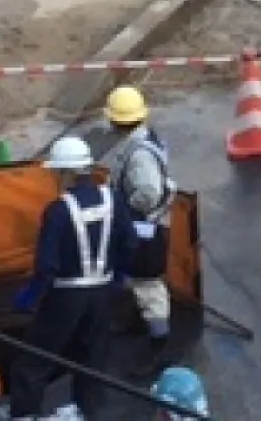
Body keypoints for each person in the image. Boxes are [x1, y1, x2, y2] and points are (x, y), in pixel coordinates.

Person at [5, 137, 128, 421]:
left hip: (66, 296)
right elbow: (129, 243)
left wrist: (29, 298)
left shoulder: (58, 211)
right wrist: (117, 278)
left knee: (34, 361)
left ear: (67, 173)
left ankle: (24, 415)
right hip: (102, 293)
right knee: (92, 357)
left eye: (56, 173)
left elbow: (46, 266)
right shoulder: (113, 199)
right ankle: (85, 411)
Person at [100, 86, 177, 367]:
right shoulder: (143, 140)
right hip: (143, 227)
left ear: (114, 120)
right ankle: (139, 322)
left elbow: (148, 192)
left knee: (148, 285)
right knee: (134, 279)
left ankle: (158, 342)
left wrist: (126, 209)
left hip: (145, 229)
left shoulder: (139, 155)